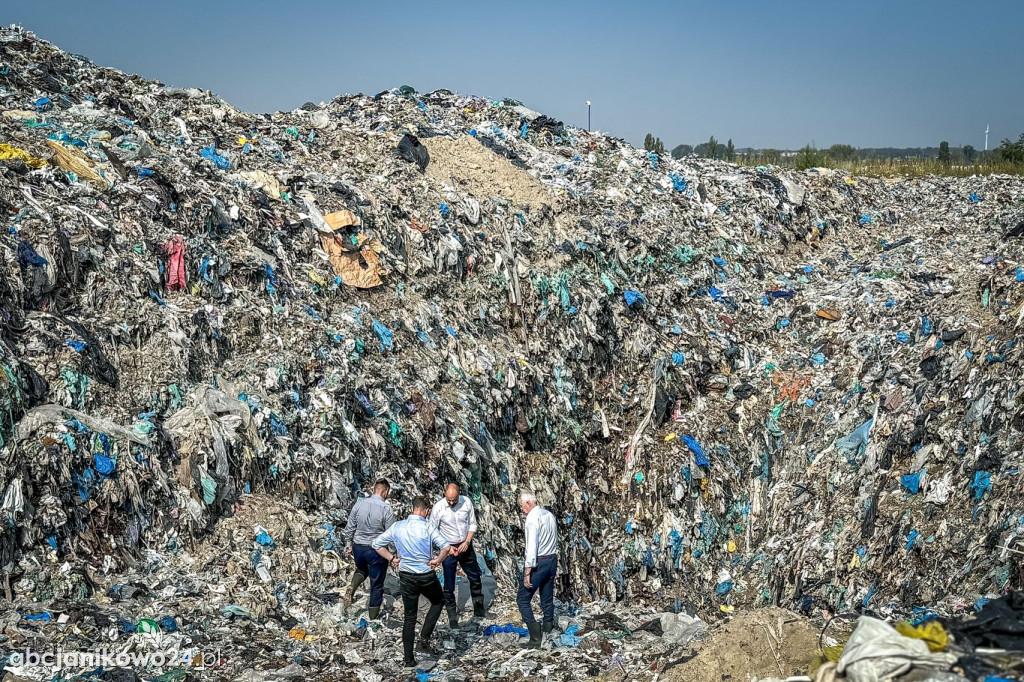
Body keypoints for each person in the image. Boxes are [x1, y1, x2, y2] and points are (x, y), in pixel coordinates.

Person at [372, 496, 452, 669]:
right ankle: (424, 638)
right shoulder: (428, 527)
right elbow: (446, 547)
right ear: (426, 511)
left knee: (410, 617)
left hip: (406, 576)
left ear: (413, 508)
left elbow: (377, 544)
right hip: (425, 575)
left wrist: (392, 558)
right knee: (438, 601)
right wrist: (437, 560)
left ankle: (409, 660)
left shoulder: (398, 526)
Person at [429, 483, 485, 627]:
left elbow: (472, 524)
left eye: (454, 500)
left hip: (465, 545)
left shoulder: (466, 502)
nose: (452, 503)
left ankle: (479, 610)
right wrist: (446, 547)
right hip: (448, 548)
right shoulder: (438, 508)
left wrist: (467, 542)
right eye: (449, 500)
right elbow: (432, 531)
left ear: (459, 494)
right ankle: (452, 617)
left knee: (475, 576)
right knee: (449, 584)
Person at [341, 479, 396, 619]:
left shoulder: (359, 504)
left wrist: (348, 544)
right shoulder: (386, 509)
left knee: (362, 569)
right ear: (385, 492)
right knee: (376, 585)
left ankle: (351, 588)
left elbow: (350, 526)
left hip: (358, 549)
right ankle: (373, 618)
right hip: (375, 551)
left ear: (374, 489)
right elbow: (391, 535)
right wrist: (393, 555)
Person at [516, 491, 558, 648]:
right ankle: (548, 630)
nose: (522, 509)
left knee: (522, 599)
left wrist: (527, 571)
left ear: (528, 503)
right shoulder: (548, 515)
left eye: (522, 506)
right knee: (546, 597)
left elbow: (531, 546)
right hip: (552, 559)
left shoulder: (532, 519)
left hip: (538, 562)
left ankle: (535, 638)